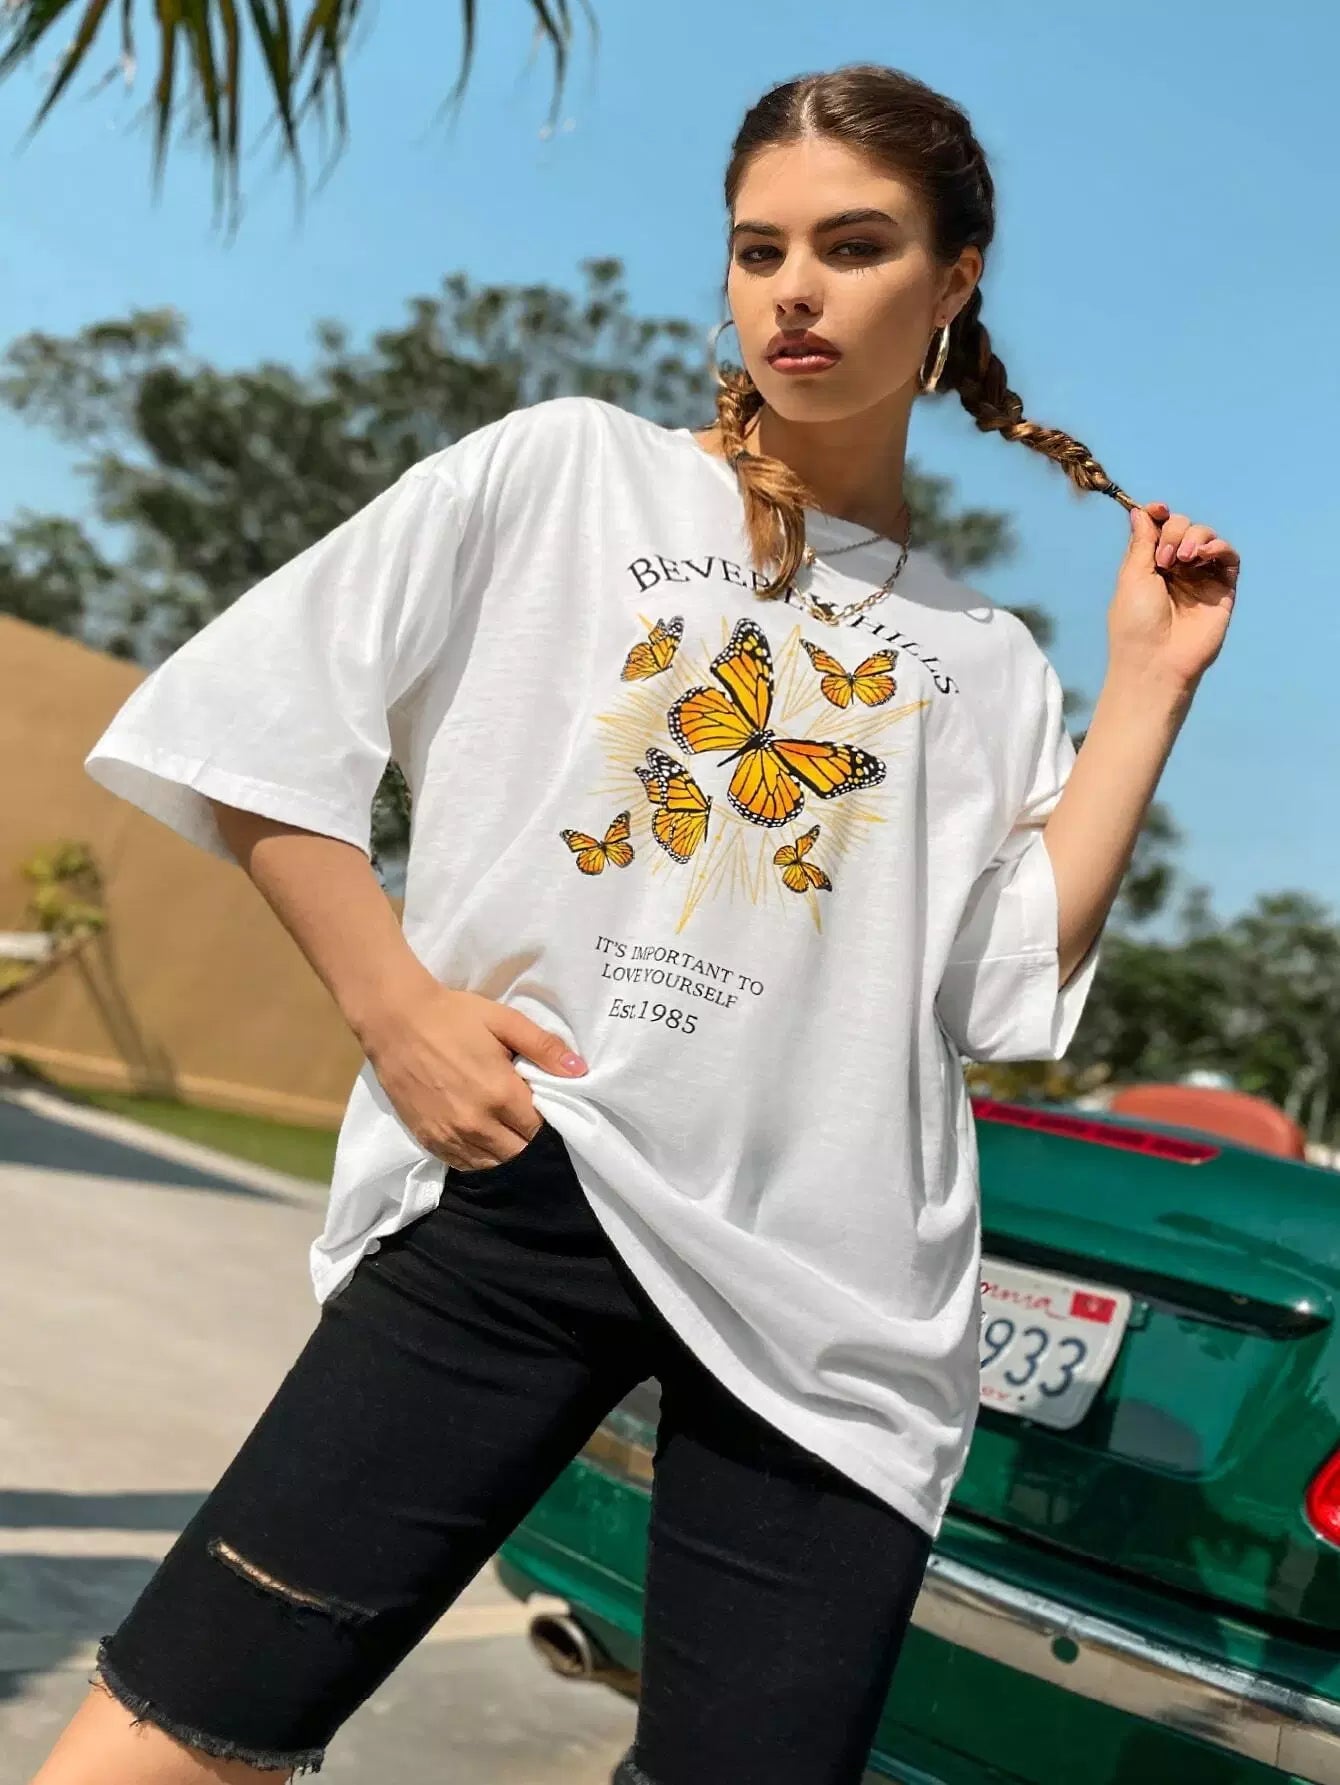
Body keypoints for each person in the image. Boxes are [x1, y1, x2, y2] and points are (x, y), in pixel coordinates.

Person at [32, 60, 1239, 1785]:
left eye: (854, 246)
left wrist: (1149, 687)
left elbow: (993, 989)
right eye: (760, 249)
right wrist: (394, 1006)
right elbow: (252, 721)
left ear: (955, 279)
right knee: (179, 1733)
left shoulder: (985, 657)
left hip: (835, 1291)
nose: (795, 290)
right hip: (532, 1178)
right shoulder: (572, 474)